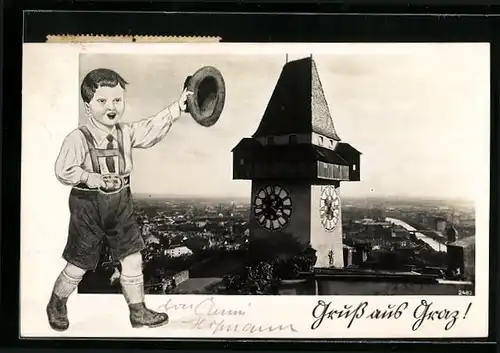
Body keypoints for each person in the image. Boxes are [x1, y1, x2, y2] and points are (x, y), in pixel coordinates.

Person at [48, 68, 191, 331]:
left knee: (132, 256)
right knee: (80, 261)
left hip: (121, 200)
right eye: (102, 101)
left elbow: (150, 128)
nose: (111, 107)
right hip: (89, 203)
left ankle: (138, 311)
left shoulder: (126, 132)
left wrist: (177, 108)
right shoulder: (77, 138)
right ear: (88, 105)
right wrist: (91, 178)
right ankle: (57, 302)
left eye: (117, 100)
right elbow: (62, 170)